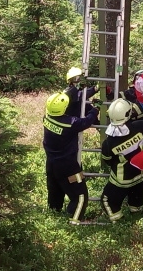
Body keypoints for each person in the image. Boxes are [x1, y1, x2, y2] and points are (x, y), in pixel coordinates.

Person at [43, 91, 100, 225]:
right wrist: (95, 109)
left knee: (55, 193)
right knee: (80, 196)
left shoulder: (46, 117)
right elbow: (86, 121)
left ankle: (54, 218)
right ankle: (73, 224)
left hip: (51, 163)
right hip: (68, 167)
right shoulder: (71, 124)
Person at [99, 98, 143, 221]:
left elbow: (107, 160)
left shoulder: (108, 143)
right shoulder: (141, 126)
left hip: (122, 180)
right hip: (142, 174)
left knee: (107, 200)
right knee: (137, 194)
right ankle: (137, 213)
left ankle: (118, 221)